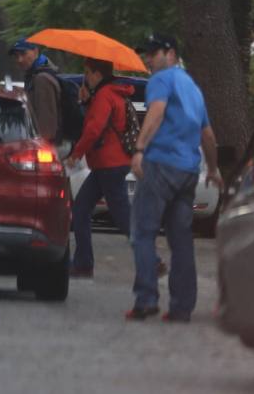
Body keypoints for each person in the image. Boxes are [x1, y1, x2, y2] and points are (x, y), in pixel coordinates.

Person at [126, 34, 220, 321]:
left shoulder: (161, 79)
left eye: (154, 53)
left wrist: (140, 148)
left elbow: (156, 110)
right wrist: (214, 169)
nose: (148, 59)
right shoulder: (193, 87)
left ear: (171, 53)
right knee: (181, 240)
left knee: (142, 232)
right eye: (147, 53)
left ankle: (146, 299)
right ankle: (181, 308)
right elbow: (207, 133)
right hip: (188, 170)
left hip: (161, 164)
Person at [65, 58, 133, 279]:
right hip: (109, 163)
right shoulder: (111, 93)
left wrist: (76, 154)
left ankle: (151, 258)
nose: (86, 77)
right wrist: (85, 103)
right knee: (81, 209)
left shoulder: (105, 95)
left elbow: (94, 129)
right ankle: (83, 263)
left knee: (121, 216)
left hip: (109, 164)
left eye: (88, 72)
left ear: (97, 74)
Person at [8, 38, 61, 154]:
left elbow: (46, 118)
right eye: (16, 56)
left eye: (23, 54)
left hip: (50, 147)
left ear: (35, 51)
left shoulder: (41, 79)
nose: (19, 59)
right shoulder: (34, 75)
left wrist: (44, 147)